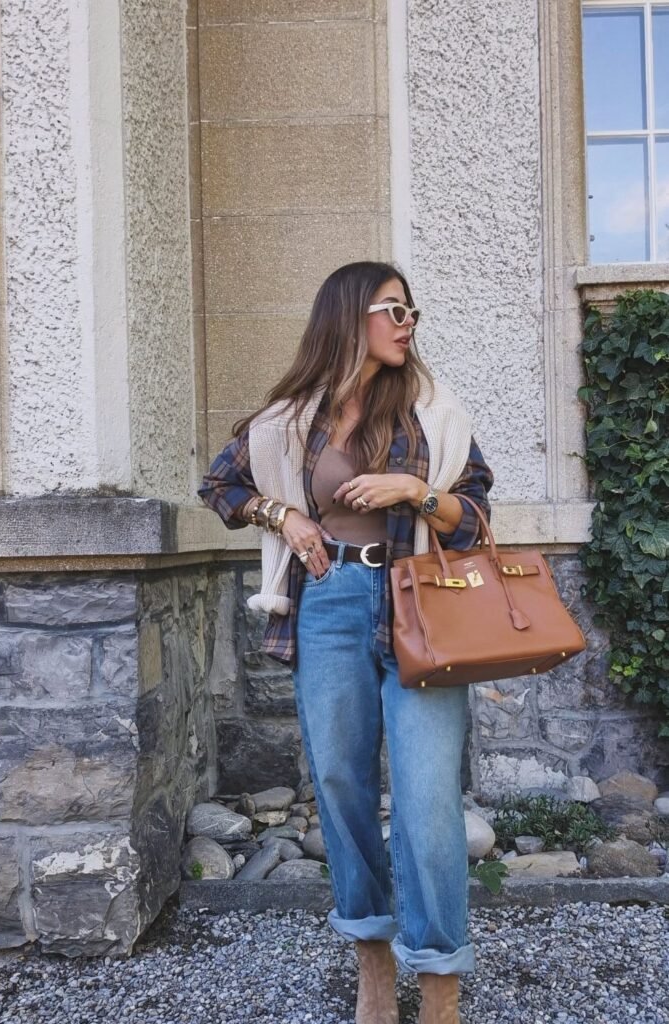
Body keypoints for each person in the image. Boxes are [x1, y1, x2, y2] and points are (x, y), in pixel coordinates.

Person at [198, 260, 493, 1024]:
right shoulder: (290, 420)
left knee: (427, 800)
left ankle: (439, 985)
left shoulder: (431, 410)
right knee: (339, 784)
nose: (407, 322)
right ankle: (371, 961)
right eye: (393, 309)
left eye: (410, 310)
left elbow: (475, 517)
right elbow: (220, 486)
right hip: (327, 602)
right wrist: (284, 516)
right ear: (348, 315)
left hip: (418, 605)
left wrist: (415, 492)